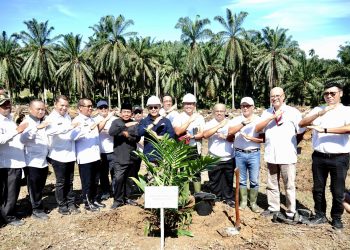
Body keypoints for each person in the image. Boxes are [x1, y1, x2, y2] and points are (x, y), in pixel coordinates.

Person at [299, 83, 350, 230]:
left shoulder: (346, 110)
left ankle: (336, 218)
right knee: (318, 189)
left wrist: (325, 129)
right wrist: (319, 113)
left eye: (332, 93)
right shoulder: (318, 109)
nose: (329, 96)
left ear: (340, 93)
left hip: (339, 157)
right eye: (326, 93)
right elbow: (302, 123)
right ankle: (320, 214)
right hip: (319, 156)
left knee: (337, 190)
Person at [255, 87, 305, 220]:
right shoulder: (266, 113)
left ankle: (290, 211)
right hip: (271, 154)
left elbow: (301, 131)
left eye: (278, 95)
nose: (275, 98)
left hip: (287, 155)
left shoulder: (293, 112)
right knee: (272, 184)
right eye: (272, 96)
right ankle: (273, 208)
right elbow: (258, 128)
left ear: (284, 96)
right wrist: (272, 117)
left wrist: (292, 145)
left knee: (289, 185)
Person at [45, 95, 81, 215]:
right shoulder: (50, 118)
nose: (64, 108)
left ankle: (71, 203)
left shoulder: (67, 117)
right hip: (58, 155)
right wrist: (69, 127)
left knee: (70, 181)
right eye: (62, 105)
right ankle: (62, 205)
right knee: (61, 181)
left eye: (66, 105)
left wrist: (79, 131)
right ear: (55, 104)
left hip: (70, 154)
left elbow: (70, 133)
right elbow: (50, 131)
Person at [228, 97, 263, 212]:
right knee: (241, 180)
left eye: (248, 106)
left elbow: (263, 139)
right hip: (239, 153)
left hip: (254, 153)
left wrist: (251, 138)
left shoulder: (259, 120)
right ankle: (243, 202)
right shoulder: (236, 120)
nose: (245, 108)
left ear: (253, 107)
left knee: (254, 180)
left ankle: (253, 203)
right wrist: (243, 124)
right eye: (243, 106)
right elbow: (230, 132)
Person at [0, 94, 28, 226]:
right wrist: (18, 130)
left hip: (16, 160)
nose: (7, 106)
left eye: (8, 103)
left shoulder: (9, 119)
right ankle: (9, 216)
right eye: (3, 104)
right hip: (7, 162)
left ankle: (9, 212)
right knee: (10, 191)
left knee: (12, 190)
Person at [72, 98, 104, 212]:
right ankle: (87, 202)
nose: (91, 108)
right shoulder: (77, 121)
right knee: (87, 181)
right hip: (85, 157)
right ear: (80, 108)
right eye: (88, 106)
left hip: (95, 155)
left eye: (91, 106)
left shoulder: (91, 119)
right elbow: (73, 136)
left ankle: (94, 199)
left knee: (95, 180)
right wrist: (86, 129)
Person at [20, 100, 50, 220]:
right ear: (31, 109)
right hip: (32, 161)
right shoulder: (27, 122)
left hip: (42, 160)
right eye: (38, 109)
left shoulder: (41, 121)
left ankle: (35, 205)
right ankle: (36, 210)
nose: (41, 111)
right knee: (34, 187)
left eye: (43, 109)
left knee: (40, 186)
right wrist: (37, 128)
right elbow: (23, 138)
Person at [109, 103, 140, 209]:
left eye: (128, 112)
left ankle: (128, 198)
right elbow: (111, 132)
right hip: (119, 157)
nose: (126, 114)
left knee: (129, 179)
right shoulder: (116, 122)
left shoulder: (134, 123)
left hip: (131, 157)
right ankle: (118, 200)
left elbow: (137, 138)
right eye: (124, 112)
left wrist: (128, 136)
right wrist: (124, 127)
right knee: (118, 179)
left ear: (131, 113)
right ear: (120, 113)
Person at [203, 103, 235, 207]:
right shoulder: (209, 123)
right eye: (217, 111)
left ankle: (228, 198)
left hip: (228, 157)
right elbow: (205, 135)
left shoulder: (231, 123)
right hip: (214, 157)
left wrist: (225, 136)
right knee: (214, 179)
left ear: (225, 112)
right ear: (213, 112)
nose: (219, 113)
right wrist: (219, 126)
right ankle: (216, 197)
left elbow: (234, 137)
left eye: (221, 111)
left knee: (228, 180)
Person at [173, 93, 205, 192]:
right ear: (183, 105)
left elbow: (203, 133)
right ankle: (184, 194)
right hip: (182, 148)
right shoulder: (179, 117)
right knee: (183, 170)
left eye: (191, 104)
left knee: (196, 170)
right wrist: (189, 121)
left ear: (194, 105)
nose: (189, 106)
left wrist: (193, 136)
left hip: (195, 146)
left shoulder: (199, 117)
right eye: (186, 104)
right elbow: (177, 131)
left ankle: (198, 193)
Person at [138, 96, 175, 163]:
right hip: (149, 156)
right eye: (151, 107)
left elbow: (171, 136)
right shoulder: (144, 121)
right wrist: (154, 124)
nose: (153, 109)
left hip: (164, 156)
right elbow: (140, 133)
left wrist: (158, 137)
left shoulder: (166, 121)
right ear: (148, 109)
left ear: (160, 107)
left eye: (155, 107)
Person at [94, 100, 116, 201]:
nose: (103, 109)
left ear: (108, 108)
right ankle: (105, 192)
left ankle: (116, 191)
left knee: (115, 173)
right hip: (100, 152)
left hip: (113, 150)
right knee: (103, 174)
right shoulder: (94, 120)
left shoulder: (115, 119)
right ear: (97, 109)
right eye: (101, 108)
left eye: (105, 107)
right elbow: (96, 130)